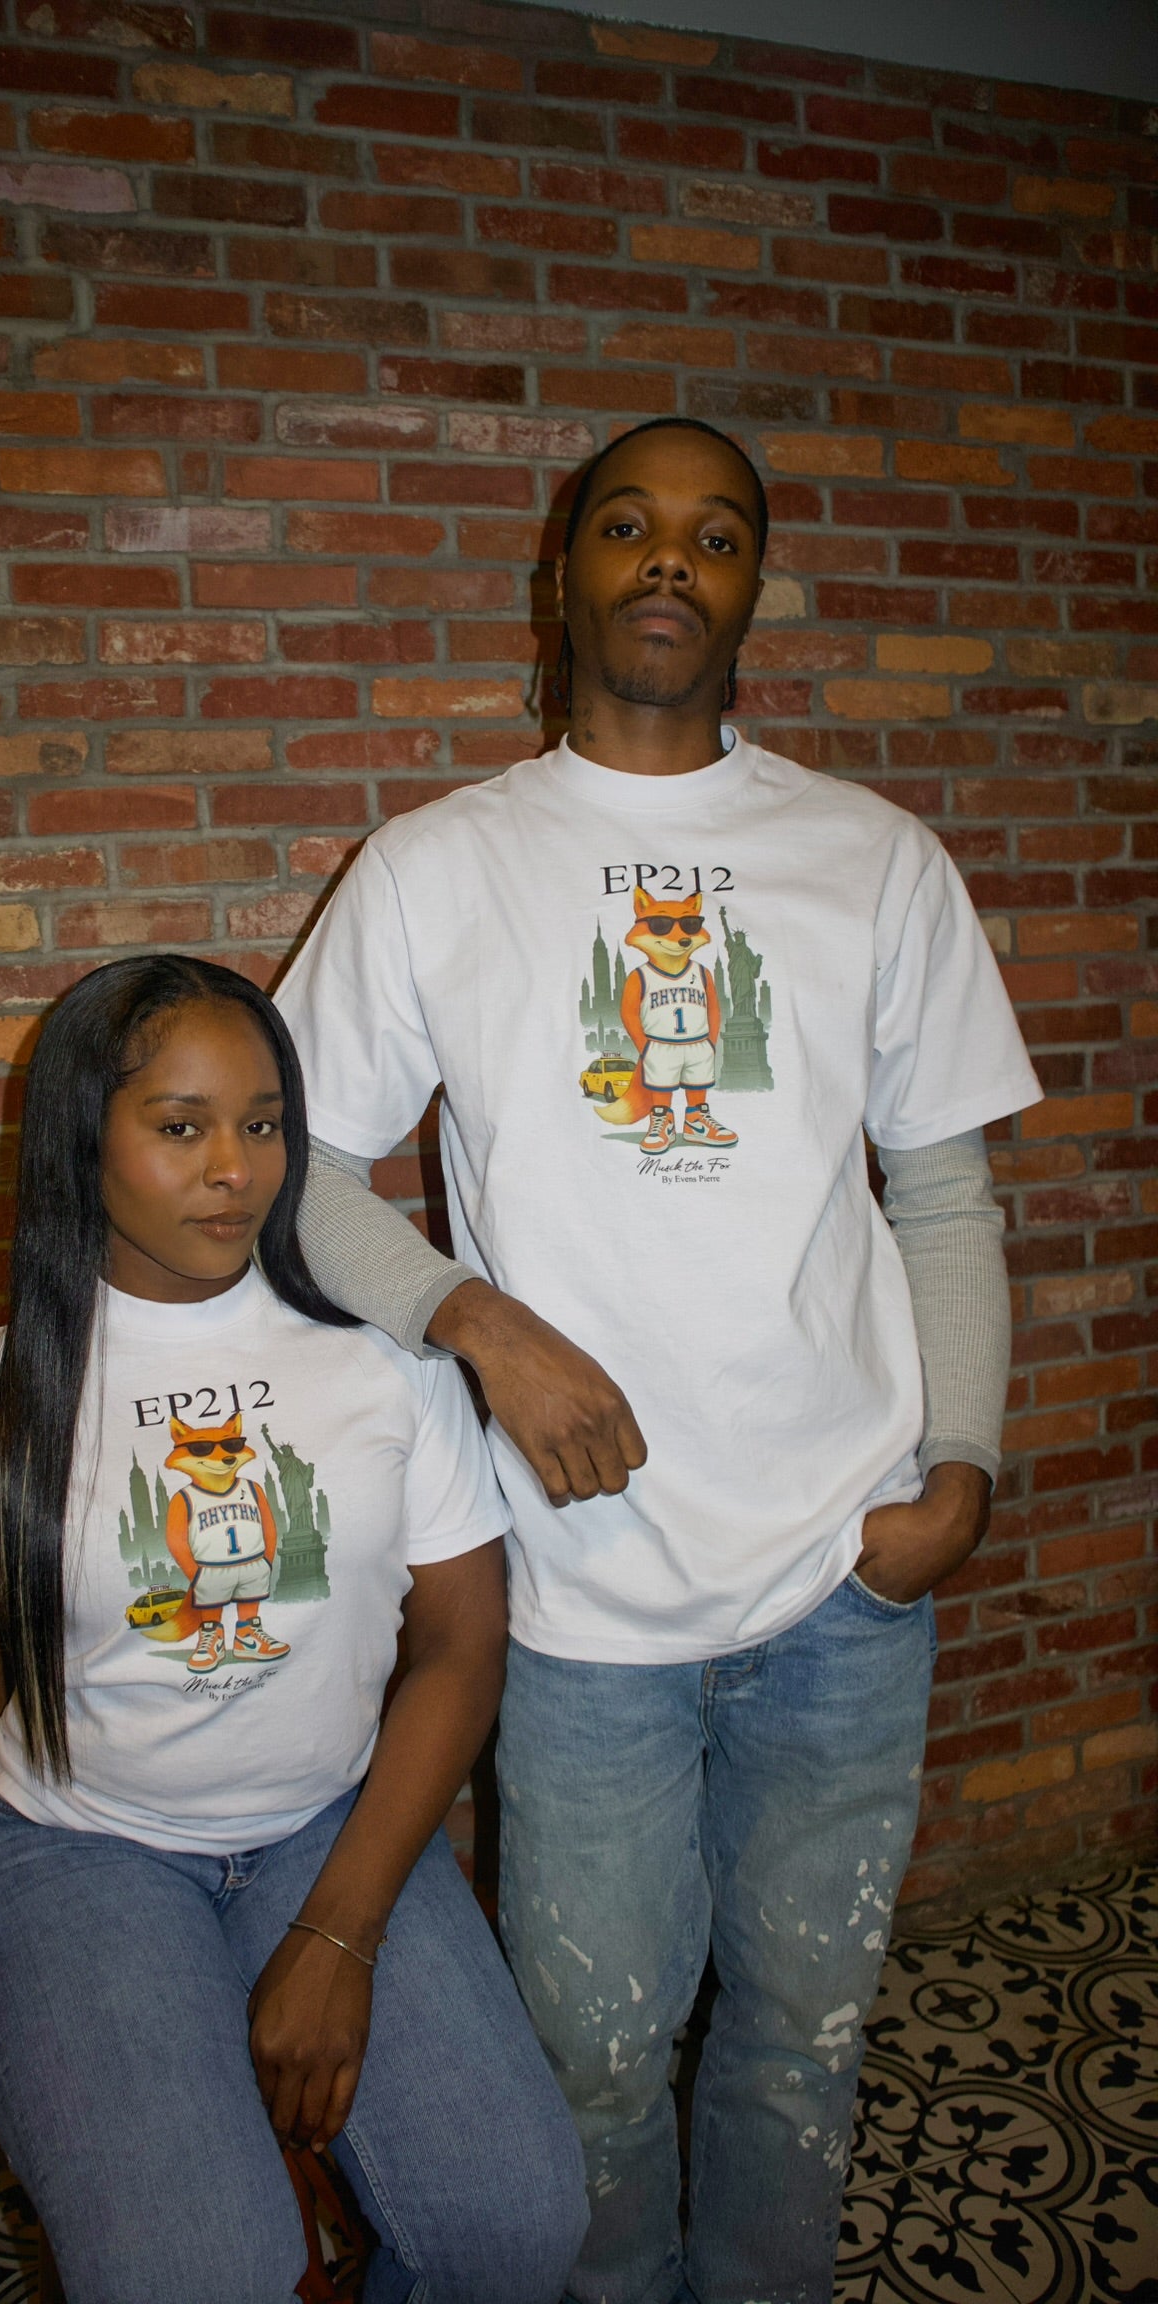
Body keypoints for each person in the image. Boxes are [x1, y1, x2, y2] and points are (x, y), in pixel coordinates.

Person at [278, 417, 1042, 2304]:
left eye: (716, 534)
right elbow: (300, 1180)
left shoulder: (873, 859)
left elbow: (946, 1196)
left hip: (845, 1578)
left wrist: (959, 1469)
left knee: (802, 2039)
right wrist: (479, 1321)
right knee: (595, 2062)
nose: (670, 561)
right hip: (580, 1597)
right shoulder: (439, 866)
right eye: (628, 526)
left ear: (754, 585)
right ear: (564, 577)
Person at [0, 955, 587, 2304]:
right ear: (82, 1139)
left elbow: (462, 1645)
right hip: (81, 1853)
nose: (235, 1170)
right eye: (180, 1125)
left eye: (263, 1124)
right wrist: (74, 1802)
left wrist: (341, 1933)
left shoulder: (385, 1365)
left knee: (515, 2225)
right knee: (204, 2273)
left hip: (330, 1824)